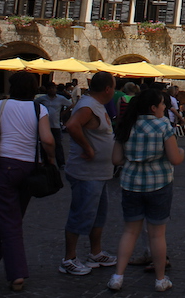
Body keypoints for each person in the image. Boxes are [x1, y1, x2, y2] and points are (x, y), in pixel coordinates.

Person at [0, 71, 56, 292]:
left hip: (4, 165)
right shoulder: (39, 109)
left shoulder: (0, 106)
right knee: (11, 215)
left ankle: (17, 272)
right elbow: (47, 139)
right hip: (29, 167)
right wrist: (51, 156)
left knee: (8, 217)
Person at [107, 89, 183, 293]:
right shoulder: (163, 125)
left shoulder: (126, 124)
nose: (164, 108)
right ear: (153, 108)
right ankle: (160, 279)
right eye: (162, 105)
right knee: (157, 235)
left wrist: (133, 158)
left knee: (130, 231)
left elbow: (116, 159)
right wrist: (182, 153)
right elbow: (175, 158)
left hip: (131, 183)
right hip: (159, 183)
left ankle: (117, 276)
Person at [60, 71, 117, 277]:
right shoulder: (87, 106)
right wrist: (88, 148)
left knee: (98, 215)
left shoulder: (95, 105)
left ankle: (95, 253)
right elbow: (72, 125)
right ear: (107, 89)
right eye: (114, 86)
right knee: (81, 214)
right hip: (86, 173)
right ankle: (69, 258)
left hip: (99, 173)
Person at [37, 84, 72, 167]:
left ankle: (61, 162)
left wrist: (64, 112)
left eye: (53, 88)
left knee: (58, 144)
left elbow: (70, 104)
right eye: (50, 88)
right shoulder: (42, 99)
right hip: (45, 125)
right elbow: (34, 103)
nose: (52, 90)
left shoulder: (60, 99)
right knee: (44, 143)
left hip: (55, 124)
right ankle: (44, 161)